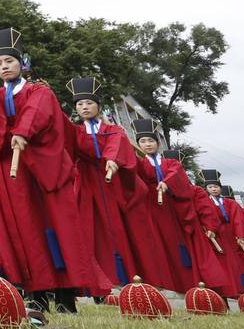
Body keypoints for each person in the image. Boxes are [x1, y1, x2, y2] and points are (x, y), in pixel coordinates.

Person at [0, 28, 99, 311]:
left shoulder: (39, 90)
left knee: (55, 226)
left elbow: (38, 111)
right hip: (14, 172)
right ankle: (36, 292)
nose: (3, 67)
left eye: (8, 61)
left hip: (42, 170)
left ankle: (66, 295)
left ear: (21, 63)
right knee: (25, 229)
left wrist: (22, 131)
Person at [68, 79, 176, 292]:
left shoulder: (114, 130)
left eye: (89, 103)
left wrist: (112, 159)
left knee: (120, 230)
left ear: (98, 106)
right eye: (80, 104)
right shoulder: (76, 132)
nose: (85, 107)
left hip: (114, 183)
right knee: (91, 230)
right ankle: (97, 283)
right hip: (88, 184)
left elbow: (117, 147)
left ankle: (129, 278)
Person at [130, 121, 203, 293]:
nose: (147, 144)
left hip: (172, 209)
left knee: (178, 245)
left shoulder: (171, 163)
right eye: (143, 142)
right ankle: (163, 282)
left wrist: (167, 182)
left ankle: (187, 284)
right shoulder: (140, 164)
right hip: (150, 209)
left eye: (151, 141)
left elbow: (176, 174)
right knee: (156, 244)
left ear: (158, 143)